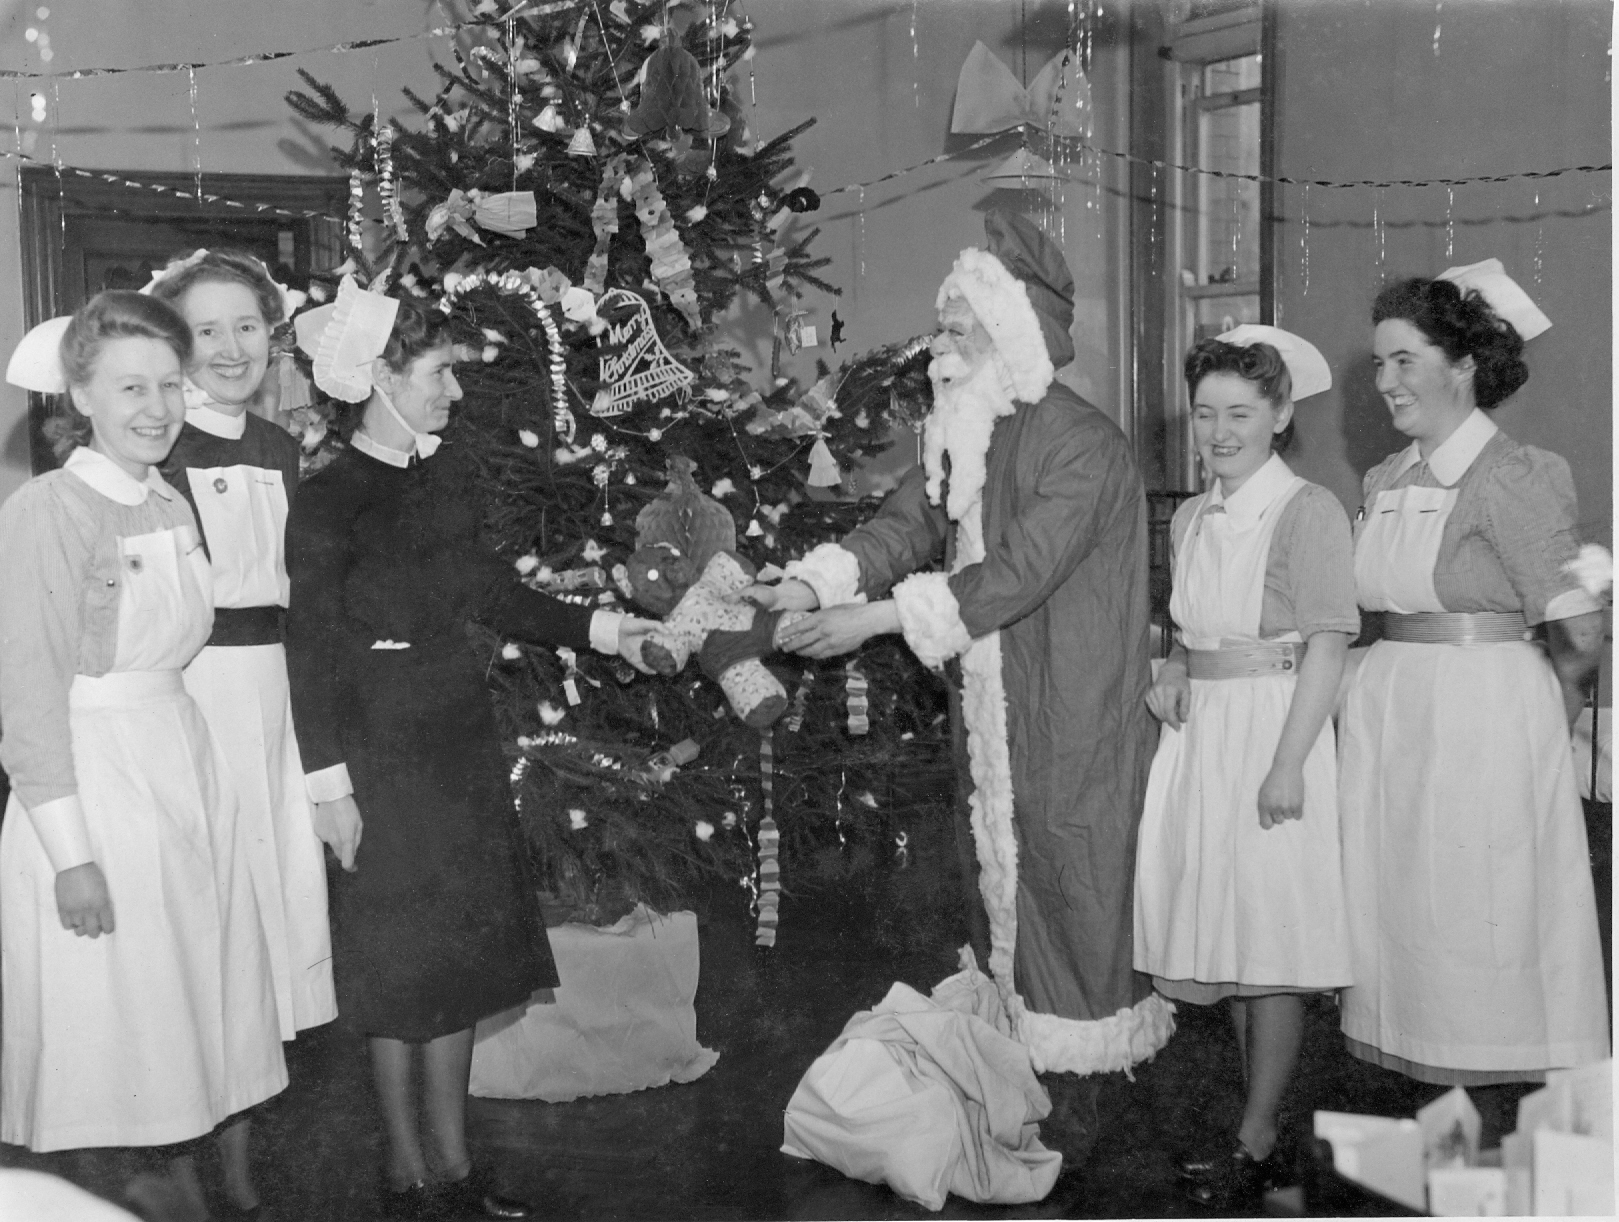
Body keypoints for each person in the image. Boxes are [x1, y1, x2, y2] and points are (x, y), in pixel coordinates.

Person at [753, 210, 1173, 1165]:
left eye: (956, 328)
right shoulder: (967, 425)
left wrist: (871, 620)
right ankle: (1026, 1097)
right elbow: (903, 525)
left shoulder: (1079, 444)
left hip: (1070, 710)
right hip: (994, 706)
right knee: (1007, 888)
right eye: (942, 327)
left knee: (1073, 885)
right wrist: (812, 581)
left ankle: (1093, 1117)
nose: (938, 347)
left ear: (1009, 333)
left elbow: (1015, 574)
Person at [284, 279, 654, 1219]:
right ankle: (405, 1172)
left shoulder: (444, 474)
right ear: (381, 376)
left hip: (453, 736)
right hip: (377, 750)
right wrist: (329, 787)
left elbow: (492, 589)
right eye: (440, 371)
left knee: (452, 963)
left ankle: (452, 1164)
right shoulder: (329, 500)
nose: (454, 391)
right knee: (396, 962)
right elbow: (311, 650)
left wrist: (609, 632)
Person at [0, 294, 286, 1178]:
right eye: (131, 388)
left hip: (181, 771)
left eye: (170, 384)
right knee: (119, 1042)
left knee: (192, 1020)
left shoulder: (165, 497)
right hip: (99, 791)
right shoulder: (48, 511)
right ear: (80, 396)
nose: (157, 408)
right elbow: (27, 696)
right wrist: (71, 855)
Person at [1339, 261, 1608, 1093]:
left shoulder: (1515, 474)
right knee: (1399, 919)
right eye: (1378, 363)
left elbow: (1581, 631)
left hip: (1480, 718)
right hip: (1393, 717)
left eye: (1403, 361)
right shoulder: (1386, 479)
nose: (1384, 382)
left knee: (1474, 919)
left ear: (1462, 367)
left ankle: (1494, 1138)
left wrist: (1535, 730)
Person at [1133, 327, 1355, 1207]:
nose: (1219, 430)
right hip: (1202, 743)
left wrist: (1288, 765)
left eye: (1240, 412)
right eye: (1204, 413)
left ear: (1279, 415)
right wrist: (1169, 673)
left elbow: (1329, 650)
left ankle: (1260, 1130)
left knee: (1272, 936)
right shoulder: (1191, 514)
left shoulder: (1307, 511)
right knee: (1226, 931)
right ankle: (1251, 1118)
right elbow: (1189, 637)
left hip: (1274, 731)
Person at [147, 248, 333, 1213]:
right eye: (206, 330)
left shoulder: (280, 446)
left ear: (275, 337)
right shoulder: (157, 442)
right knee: (202, 922)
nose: (230, 348)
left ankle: (243, 1168)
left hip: (273, 699)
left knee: (261, 926)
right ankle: (182, 1163)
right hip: (192, 695)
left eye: (247, 328)